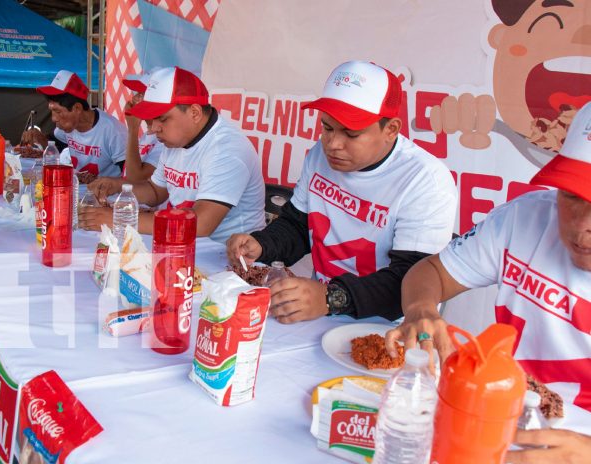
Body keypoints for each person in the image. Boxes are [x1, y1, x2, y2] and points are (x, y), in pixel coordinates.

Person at [386, 102, 591, 463]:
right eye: (572, 195)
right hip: (486, 428)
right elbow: (431, 272)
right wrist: (421, 309)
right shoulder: (526, 216)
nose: (581, 225)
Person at [226, 60, 458, 324]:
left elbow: (411, 282)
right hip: (321, 312)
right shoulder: (320, 155)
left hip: (385, 329)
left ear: (390, 130)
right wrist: (263, 244)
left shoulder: (425, 180)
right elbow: (299, 226)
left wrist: (329, 298)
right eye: (327, 128)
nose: (333, 144)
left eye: (351, 133)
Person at [80, 66, 266, 243]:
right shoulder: (176, 140)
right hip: (187, 246)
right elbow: (155, 191)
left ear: (194, 112)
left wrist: (121, 219)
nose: (153, 129)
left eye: (162, 119)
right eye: (151, 120)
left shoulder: (227, 149)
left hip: (228, 258)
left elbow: (200, 225)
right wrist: (117, 186)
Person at [36, 70, 127, 182]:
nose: (53, 118)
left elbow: (129, 176)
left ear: (77, 108)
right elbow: (55, 148)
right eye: (52, 111)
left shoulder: (113, 131)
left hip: (106, 195)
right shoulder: (66, 127)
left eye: (58, 111)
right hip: (77, 189)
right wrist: (40, 140)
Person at [85, 70, 164, 201]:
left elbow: (136, 178)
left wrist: (133, 128)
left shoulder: (163, 140)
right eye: (137, 93)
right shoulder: (146, 136)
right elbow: (128, 176)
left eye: (142, 94)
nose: (135, 98)